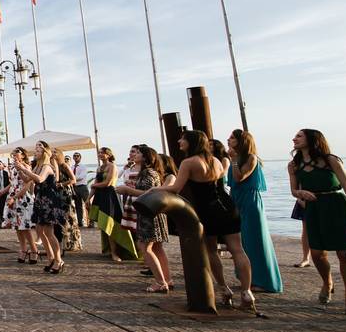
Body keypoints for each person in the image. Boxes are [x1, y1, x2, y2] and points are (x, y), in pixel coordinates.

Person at [152, 130, 255, 312]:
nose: (179, 141)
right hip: (227, 206)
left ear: (191, 142)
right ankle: (247, 292)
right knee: (238, 250)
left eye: (182, 139)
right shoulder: (215, 160)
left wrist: (154, 191)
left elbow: (176, 188)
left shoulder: (188, 162)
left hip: (206, 210)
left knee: (211, 250)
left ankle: (224, 288)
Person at [288, 128, 346, 316]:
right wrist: (300, 193)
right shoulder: (293, 165)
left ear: (312, 139)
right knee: (316, 254)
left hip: (337, 206)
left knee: (345, 254)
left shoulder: (331, 160)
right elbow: (293, 191)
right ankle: (327, 282)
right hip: (314, 209)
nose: (294, 139)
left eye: (299, 136)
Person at [227, 130, 282, 293]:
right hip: (237, 199)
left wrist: (234, 159)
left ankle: (264, 281)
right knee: (243, 241)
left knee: (255, 241)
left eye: (232, 138)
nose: (228, 140)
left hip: (250, 201)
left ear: (241, 141)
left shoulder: (251, 158)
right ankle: (247, 278)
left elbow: (240, 178)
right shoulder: (235, 159)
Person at [118, 145, 171, 293]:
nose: (135, 154)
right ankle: (167, 279)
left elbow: (148, 192)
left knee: (145, 247)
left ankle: (160, 282)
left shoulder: (148, 172)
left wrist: (127, 190)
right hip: (153, 212)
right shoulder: (149, 172)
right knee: (157, 248)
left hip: (149, 214)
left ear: (146, 157)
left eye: (139, 152)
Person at [17, 141, 66, 274]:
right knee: (40, 231)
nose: (35, 152)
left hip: (48, 201)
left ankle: (58, 259)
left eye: (38, 150)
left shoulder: (47, 166)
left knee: (49, 232)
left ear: (44, 152)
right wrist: (19, 170)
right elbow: (28, 180)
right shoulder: (37, 166)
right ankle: (50, 257)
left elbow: (39, 179)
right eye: (35, 150)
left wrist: (24, 168)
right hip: (40, 199)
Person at [90, 147, 137, 262]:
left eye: (102, 153)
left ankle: (115, 253)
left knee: (111, 224)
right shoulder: (99, 168)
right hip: (100, 196)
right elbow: (95, 184)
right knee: (104, 225)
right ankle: (110, 250)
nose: (100, 154)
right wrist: (88, 198)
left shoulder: (112, 166)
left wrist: (94, 185)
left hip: (110, 196)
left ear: (108, 154)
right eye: (99, 153)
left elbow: (108, 183)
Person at [1, 148, 36, 263]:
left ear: (23, 155)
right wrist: (2, 191)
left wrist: (20, 168)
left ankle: (34, 250)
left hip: (22, 198)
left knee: (25, 227)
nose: (15, 154)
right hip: (12, 197)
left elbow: (27, 183)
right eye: (14, 152)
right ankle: (23, 249)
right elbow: (13, 183)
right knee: (17, 226)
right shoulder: (11, 167)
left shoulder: (27, 166)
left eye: (18, 152)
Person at [54, 150, 82, 253]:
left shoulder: (64, 165)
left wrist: (62, 184)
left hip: (65, 194)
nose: (53, 154)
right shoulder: (53, 166)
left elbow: (73, 180)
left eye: (55, 152)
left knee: (69, 218)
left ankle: (72, 243)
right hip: (57, 195)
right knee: (59, 219)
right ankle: (62, 243)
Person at [70, 153, 91, 228]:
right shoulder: (71, 167)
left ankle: (91, 222)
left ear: (80, 157)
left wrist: (72, 179)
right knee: (78, 205)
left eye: (77, 156)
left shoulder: (83, 167)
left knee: (87, 204)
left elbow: (81, 177)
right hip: (75, 187)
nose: (76, 157)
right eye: (74, 156)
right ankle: (80, 222)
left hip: (82, 187)